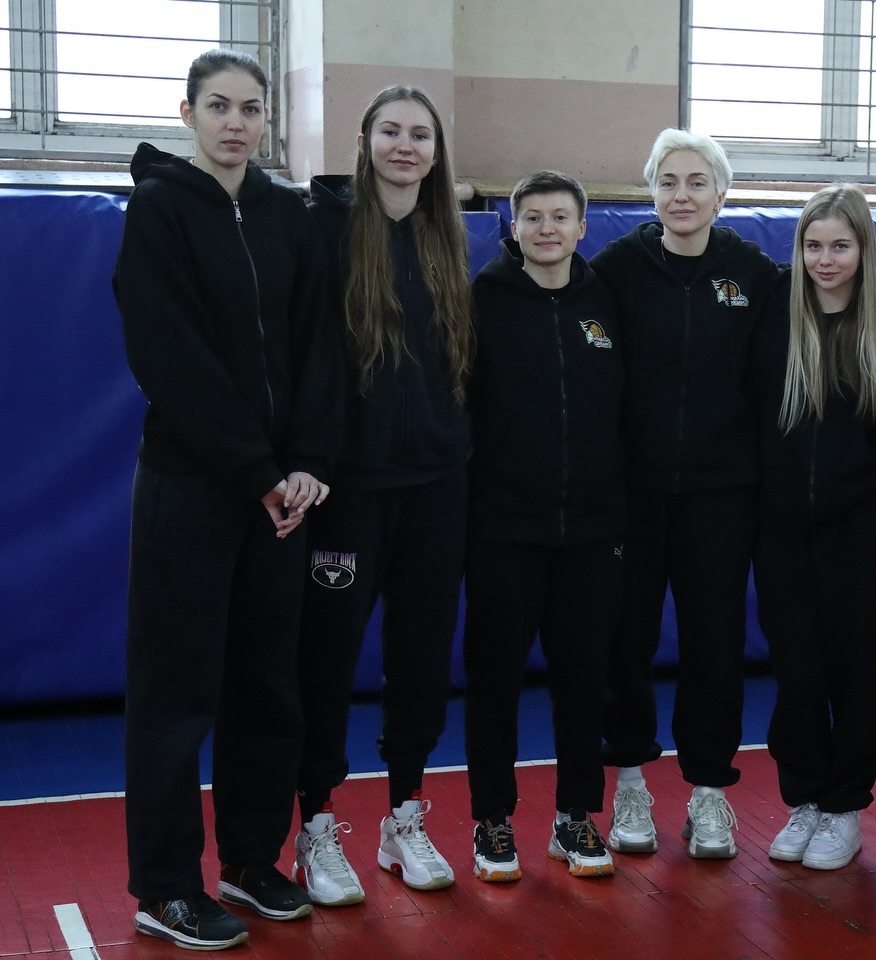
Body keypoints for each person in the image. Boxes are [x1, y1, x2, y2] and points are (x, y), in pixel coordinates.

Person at [113, 48, 341, 950]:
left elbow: (320, 344)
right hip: (193, 486)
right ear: (188, 114)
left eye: (250, 108)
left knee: (266, 685)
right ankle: (165, 885)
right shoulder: (159, 209)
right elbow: (168, 355)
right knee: (175, 693)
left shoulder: (289, 217)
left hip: (282, 496)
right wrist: (257, 470)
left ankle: (250, 860)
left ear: (266, 119)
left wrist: (307, 461)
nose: (236, 122)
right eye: (219, 106)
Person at [293, 85, 473, 903]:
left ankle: (404, 816)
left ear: (436, 153)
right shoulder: (325, 229)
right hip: (349, 489)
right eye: (391, 132)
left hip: (436, 486)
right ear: (365, 142)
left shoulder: (446, 239)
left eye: (420, 135)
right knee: (327, 659)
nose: (406, 146)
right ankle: (317, 825)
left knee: (421, 656)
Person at [592, 129, 778, 859]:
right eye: (668, 181)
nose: (682, 195)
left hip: (721, 494)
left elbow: (834, 298)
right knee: (625, 640)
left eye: (697, 181)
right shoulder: (616, 267)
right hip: (632, 493)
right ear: (651, 191)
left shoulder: (752, 272)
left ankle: (708, 792)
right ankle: (630, 785)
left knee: (715, 645)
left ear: (721, 194)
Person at [464, 170, 626, 881]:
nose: (547, 228)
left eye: (560, 216)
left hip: (592, 529)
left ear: (582, 226)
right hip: (504, 528)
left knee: (584, 680)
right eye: (533, 217)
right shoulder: (483, 301)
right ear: (514, 226)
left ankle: (575, 815)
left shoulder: (606, 302)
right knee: (494, 680)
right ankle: (492, 820)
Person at [754, 184, 876, 871]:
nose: (826, 260)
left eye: (840, 246)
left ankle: (845, 805)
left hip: (868, 527)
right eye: (814, 246)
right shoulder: (773, 309)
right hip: (783, 527)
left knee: (862, 669)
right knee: (797, 668)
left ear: (864, 248)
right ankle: (805, 799)